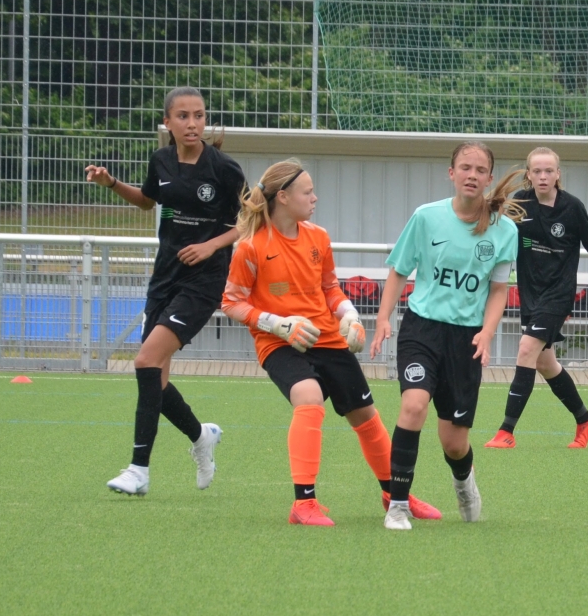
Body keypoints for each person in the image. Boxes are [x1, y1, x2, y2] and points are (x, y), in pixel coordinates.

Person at [220, 160, 443, 526]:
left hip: (328, 339)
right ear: (283, 197)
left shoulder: (318, 237)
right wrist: (278, 324)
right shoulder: (250, 247)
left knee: (365, 415)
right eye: (308, 192)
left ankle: (395, 496)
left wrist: (350, 317)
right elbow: (231, 302)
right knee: (309, 398)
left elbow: (330, 290)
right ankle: (303, 502)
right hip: (280, 344)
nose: (315, 198)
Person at [86, 88, 247, 496]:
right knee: (154, 379)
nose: (193, 123)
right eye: (183, 116)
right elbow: (148, 201)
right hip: (164, 279)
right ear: (168, 122)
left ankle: (138, 470)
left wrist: (212, 245)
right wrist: (111, 183)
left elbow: (251, 219)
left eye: (199, 115)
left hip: (203, 283)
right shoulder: (160, 160)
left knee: (144, 361)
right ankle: (201, 435)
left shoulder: (224, 169)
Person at [368, 141, 522, 530]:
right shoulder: (426, 217)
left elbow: (499, 290)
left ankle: (464, 482)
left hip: (466, 339)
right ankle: (397, 506)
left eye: (480, 170)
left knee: (453, 443)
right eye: (465, 167)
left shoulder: (504, 231)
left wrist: (487, 332)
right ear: (451, 173)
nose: (472, 175)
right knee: (413, 406)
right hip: (422, 329)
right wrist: (383, 318)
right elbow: (399, 270)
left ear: (489, 178)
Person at [484, 146, 588, 450]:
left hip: (558, 295)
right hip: (530, 295)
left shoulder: (573, 208)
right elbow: (494, 230)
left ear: (558, 174)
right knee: (545, 363)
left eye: (548, 171)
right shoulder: (519, 204)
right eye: (537, 171)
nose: (543, 176)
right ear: (529, 174)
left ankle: (506, 431)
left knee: (526, 349)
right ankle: (585, 420)